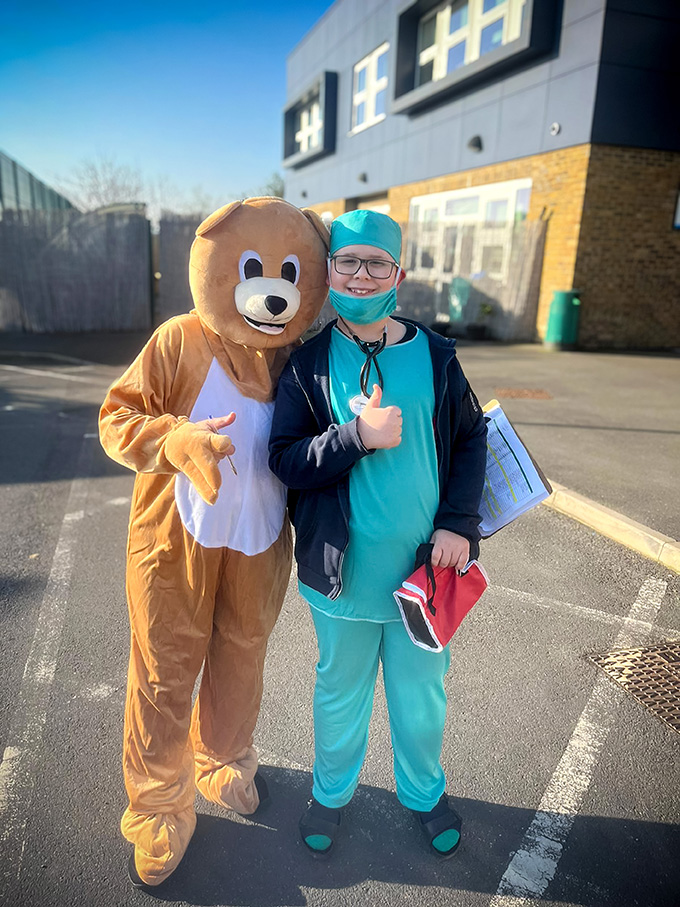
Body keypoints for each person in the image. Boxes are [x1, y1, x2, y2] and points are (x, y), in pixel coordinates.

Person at [268, 209, 487, 859]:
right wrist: (354, 437)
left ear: (399, 271)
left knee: (421, 693)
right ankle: (331, 794)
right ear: (329, 269)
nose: (361, 275)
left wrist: (459, 522)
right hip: (343, 574)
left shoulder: (437, 354)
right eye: (348, 262)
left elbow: (472, 437)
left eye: (376, 263)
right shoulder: (307, 363)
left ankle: (422, 792)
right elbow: (283, 457)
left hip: (424, 574)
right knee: (340, 691)